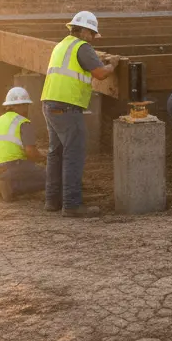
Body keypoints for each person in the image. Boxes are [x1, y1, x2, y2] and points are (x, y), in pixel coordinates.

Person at [41, 11, 119, 217]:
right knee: (73, 155)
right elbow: (101, 74)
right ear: (84, 31)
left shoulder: (62, 45)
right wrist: (113, 64)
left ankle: (52, 201)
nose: (93, 38)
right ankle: (72, 205)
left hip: (50, 103)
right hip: (68, 106)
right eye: (92, 34)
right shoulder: (82, 47)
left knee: (55, 154)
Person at [0, 86, 46, 201]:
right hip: (11, 165)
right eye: (26, 105)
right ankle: (12, 187)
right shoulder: (23, 122)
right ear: (20, 106)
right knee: (51, 179)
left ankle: (2, 182)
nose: (27, 109)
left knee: (29, 170)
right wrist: (43, 159)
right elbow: (30, 152)